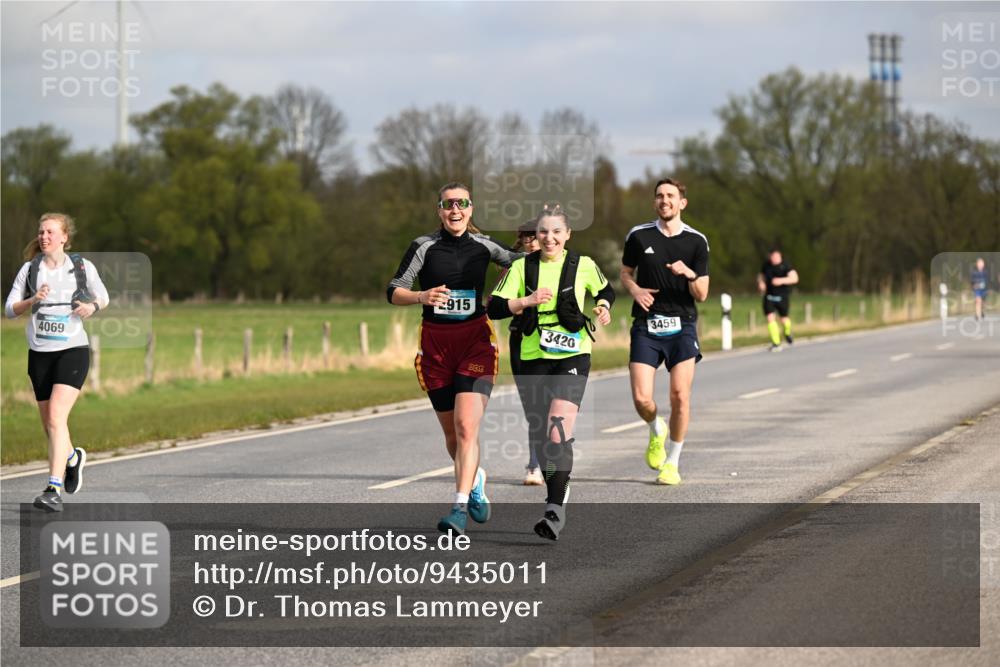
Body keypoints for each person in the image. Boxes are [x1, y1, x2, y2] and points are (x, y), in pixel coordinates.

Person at [387, 182, 521, 535]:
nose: (455, 210)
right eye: (448, 205)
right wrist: (421, 296)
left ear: (471, 209)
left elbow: (523, 265)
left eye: (461, 203)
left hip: (475, 342)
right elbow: (394, 290)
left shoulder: (484, 245)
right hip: (435, 346)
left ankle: (458, 509)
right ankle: (475, 480)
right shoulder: (424, 246)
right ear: (440, 211)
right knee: (452, 434)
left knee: (466, 426)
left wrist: (502, 290)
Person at [489, 204, 614, 540]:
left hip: (572, 354)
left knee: (558, 429)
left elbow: (605, 291)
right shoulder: (522, 267)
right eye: (543, 232)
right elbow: (495, 306)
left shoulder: (582, 265)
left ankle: (554, 508)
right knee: (542, 432)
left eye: (556, 232)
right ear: (536, 236)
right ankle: (560, 482)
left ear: (567, 235)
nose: (549, 238)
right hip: (530, 356)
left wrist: (602, 308)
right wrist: (525, 302)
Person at [4, 213, 109, 512]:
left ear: (64, 237)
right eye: (41, 232)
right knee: (50, 426)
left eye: (50, 232)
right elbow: (10, 309)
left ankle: (53, 488)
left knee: (55, 418)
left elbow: (103, 296)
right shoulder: (30, 269)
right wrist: (32, 300)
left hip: (72, 351)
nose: (44, 236)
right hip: (39, 355)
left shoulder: (81, 267)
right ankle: (72, 457)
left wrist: (91, 306)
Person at [620, 178, 709, 486]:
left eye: (670, 196)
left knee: (680, 397)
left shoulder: (697, 241)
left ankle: (672, 462)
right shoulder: (638, 235)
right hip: (646, 324)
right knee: (642, 399)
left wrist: (690, 273)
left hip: (682, 325)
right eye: (659, 196)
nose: (664, 200)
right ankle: (655, 427)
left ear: (682, 203)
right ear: (655, 202)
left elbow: (703, 293)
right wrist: (634, 290)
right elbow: (625, 272)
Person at [505, 221, 544, 485]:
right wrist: (521, 303)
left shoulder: (562, 266)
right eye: (526, 237)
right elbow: (499, 304)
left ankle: (544, 459)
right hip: (521, 337)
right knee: (533, 406)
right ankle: (535, 463)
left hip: (554, 341)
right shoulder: (515, 268)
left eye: (535, 236)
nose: (531, 241)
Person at [757, 249, 799, 351]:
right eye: (772, 257)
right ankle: (776, 343)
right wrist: (761, 283)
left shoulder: (786, 266)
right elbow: (761, 276)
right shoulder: (766, 265)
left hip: (782, 297)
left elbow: (795, 278)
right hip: (769, 296)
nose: (774, 259)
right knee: (770, 318)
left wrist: (781, 280)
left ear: (780, 257)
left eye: (776, 257)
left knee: (784, 320)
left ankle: (787, 333)